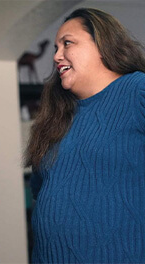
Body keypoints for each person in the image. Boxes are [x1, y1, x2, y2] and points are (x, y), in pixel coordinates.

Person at [24, 8, 145, 263]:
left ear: (102, 44)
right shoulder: (55, 117)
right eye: (56, 47)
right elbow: (42, 191)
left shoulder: (137, 91)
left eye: (67, 43)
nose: (57, 56)